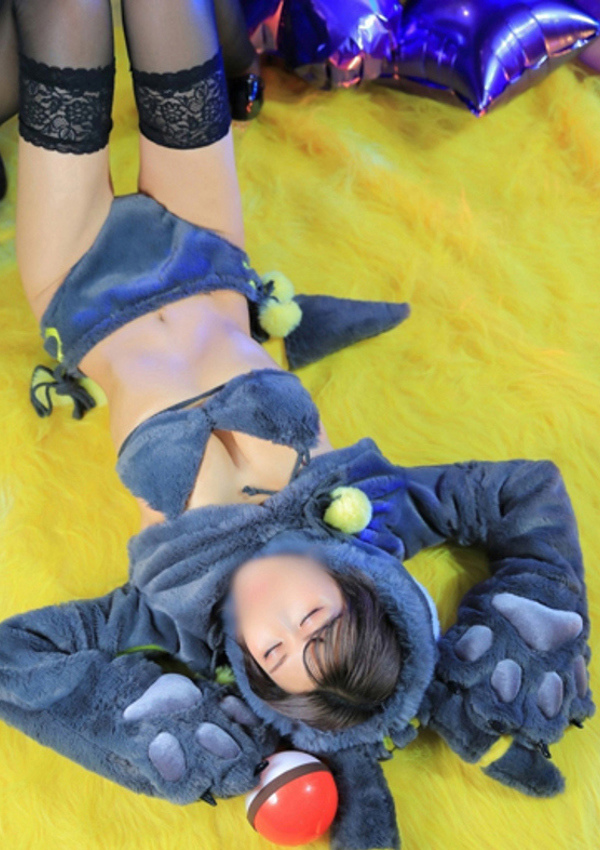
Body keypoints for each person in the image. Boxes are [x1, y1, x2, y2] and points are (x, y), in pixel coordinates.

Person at [0, 2, 594, 848]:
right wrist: (520, 632)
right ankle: (238, 65)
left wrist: (185, 740)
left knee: (69, 11)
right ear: (356, 588)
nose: (275, 621)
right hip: (206, 243)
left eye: (275, 657)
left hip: (80, 276)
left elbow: (16, 660)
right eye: (313, 622)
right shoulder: (373, 509)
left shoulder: (172, 613)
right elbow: (527, 491)